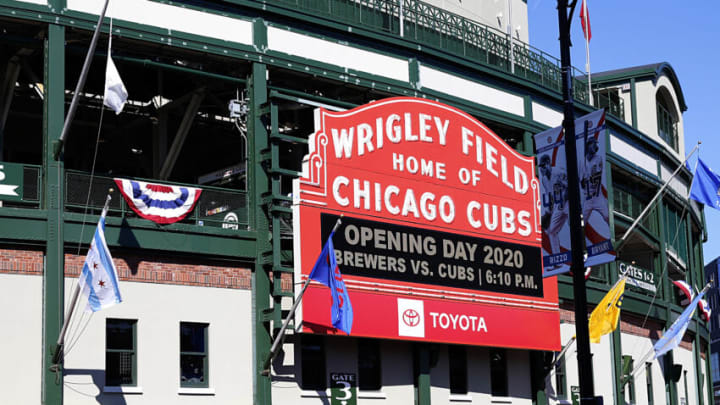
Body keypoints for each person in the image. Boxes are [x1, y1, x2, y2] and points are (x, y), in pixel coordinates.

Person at [539, 154, 569, 255]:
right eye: (540, 167)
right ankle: (557, 259)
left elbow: (571, 187)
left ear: (548, 164)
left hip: (568, 203)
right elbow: (551, 197)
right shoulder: (544, 180)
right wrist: (548, 213)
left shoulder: (559, 172)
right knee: (551, 231)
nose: (542, 169)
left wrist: (564, 199)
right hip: (558, 206)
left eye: (543, 166)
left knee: (574, 225)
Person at [580, 135, 609, 224]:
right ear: (588, 145)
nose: (595, 146)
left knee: (607, 216)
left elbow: (597, 176)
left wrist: (590, 177)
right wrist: (585, 180)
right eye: (593, 144)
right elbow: (582, 183)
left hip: (597, 196)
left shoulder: (598, 158)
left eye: (595, 144)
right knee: (581, 223)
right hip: (587, 197)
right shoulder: (582, 162)